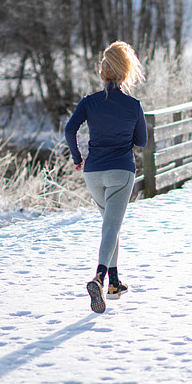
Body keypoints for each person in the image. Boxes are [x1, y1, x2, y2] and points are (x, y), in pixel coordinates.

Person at [64, 41, 147, 313]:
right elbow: (142, 141)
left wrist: (77, 158)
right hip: (121, 171)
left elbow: (69, 130)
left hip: (93, 174)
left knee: (111, 226)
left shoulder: (89, 103)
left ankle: (114, 284)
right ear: (125, 75)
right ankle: (99, 278)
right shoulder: (133, 105)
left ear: (102, 74)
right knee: (111, 227)